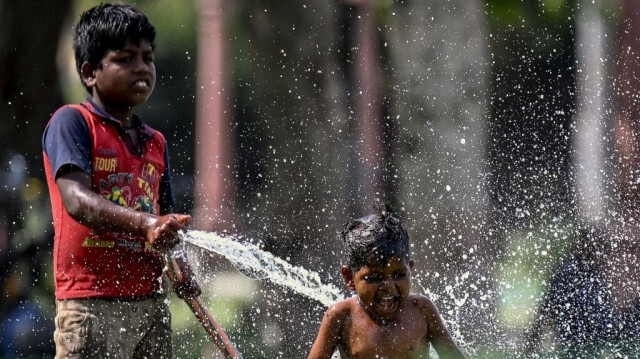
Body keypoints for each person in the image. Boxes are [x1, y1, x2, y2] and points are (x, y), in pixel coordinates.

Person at [42, 3, 200, 358]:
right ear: (90, 72)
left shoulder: (154, 142)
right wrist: (146, 224)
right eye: (126, 59)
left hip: (149, 302)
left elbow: (166, 219)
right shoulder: (73, 123)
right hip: (91, 305)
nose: (142, 67)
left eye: (147, 57)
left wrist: (180, 268)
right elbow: (77, 201)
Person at [308, 204, 467, 359]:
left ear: (409, 270)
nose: (389, 287)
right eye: (374, 278)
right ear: (349, 277)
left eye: (399, 275)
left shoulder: (421, 310)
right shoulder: (341, 316)